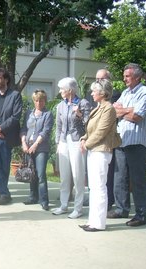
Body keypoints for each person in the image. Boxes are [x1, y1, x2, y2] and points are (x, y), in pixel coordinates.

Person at [108, 63, 146, 227]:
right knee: (120, 177)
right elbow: (114, 112)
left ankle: (141, 215)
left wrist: (123, 111)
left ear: (137, 77)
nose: (124, 78)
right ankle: (121, 209)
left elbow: (137, 116)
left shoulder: (145, 92)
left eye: (127, 76)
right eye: (124, 75)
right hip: (121, 141)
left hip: (136, 142)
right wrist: (128, 110)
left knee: (137, 179)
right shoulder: (125, 93)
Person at [79, 79, 121, 232]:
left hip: (101, 150)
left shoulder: (108, 109)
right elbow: (91, 130)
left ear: (102, 93)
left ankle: (99, 223)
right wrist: (84, 138)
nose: (91, 93)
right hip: (94, 150)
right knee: (94, 187)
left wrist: (87, 144)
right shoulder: (98, 108)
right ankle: (92, 220)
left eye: (94, 91)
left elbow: (101, 132)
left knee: (99, 187)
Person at [53, 77, 91, 218]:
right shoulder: (60, 106)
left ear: (70, 90)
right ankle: (63, 205)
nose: (60, 91)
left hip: (77, 141)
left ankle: (78, 208)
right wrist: (58, 143)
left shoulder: (83, 103)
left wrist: (80, 114)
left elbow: (89, 124)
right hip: (64, 141)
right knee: (64, 176)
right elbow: (58, 125)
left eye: (62, 89)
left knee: (78, 175)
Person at [0, 68, 23, 205]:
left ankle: (2, 192)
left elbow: (16, 116)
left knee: (4, 166)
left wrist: (0, 128)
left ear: (6, 79)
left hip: (6, 137)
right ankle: (3, 191)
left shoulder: (15, 95)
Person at [20, 89, 54, 210]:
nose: (39, 103)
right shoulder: (29, 113)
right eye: (36, 100)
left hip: (41, 148)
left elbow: (45, 132)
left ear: (45, 101)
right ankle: (33, 197)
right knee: (31, 173)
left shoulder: (48, 114)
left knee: (40, 175)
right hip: (28, 147)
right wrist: (24, 143)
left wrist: (35, 145)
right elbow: (24, 129)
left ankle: (44, 200)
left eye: (41, 100)